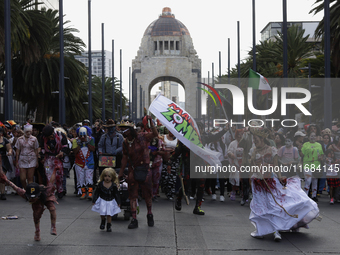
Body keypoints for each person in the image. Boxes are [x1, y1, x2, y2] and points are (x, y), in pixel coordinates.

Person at [249, 128, 320, 241]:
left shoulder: (272, 149)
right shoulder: (253, 151)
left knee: (273, 206)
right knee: (260, 207)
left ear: (262, 139)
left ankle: (276, 231)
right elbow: (251, 167)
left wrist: (280, 176)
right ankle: (261, 230)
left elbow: (276, 165)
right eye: (253, 139)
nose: (254, 141)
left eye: (256, 138)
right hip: (257, 182)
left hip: (270, 181)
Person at [118, 118, 158, 229]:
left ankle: (149, 214)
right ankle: (134, 219)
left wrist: (151, 123)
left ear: (130, 130)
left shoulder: (142, 136)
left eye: (124, 129)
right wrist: (120, 174)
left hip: (145, 170)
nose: (122, 131)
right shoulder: (125, 143)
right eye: (121, 129)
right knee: (132, 195)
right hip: (133, 171)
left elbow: (155, 134)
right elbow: (124, 159)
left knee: (147, 194)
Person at [0, 167, 58, 241]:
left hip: (46, 197)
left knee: (52, 208)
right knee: (36, 215)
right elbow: (15, 187)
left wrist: (55, 170)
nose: (32, 199)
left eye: (34, 197)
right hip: (37, 202)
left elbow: (51, 181)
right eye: (31, 197)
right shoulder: (24, 194)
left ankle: (53, 227)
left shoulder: (46, 191)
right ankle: (37, 232)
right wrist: (6, 180)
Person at [40, 125, 68, 197]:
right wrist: (42, 157)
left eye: (49, 136)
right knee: (48, 176)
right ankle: (50, 191)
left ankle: (60, 190)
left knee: (59, 176)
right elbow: (42, 148)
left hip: (58, 158)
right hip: (48, 158)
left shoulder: (61, 135)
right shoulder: (43, 137)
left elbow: (65, 146)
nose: (48, 137)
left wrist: (62, 152)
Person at [92, 168, 121, 232]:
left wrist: (118, 202)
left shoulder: (113, 185)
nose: (107, 178)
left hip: (110, 201)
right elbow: (97, 192)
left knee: (109, 214)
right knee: (102, 213)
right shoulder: (101, 184)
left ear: (112, 177)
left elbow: (116, 194)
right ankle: (103, 221)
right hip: (103, 200)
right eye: (105, 176)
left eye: (109, 176)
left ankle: (109, 225)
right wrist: (94, 200)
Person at [72, 126, 95, 200]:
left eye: (84, 135)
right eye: (81, 135)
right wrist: (79, 144)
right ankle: (83, 193)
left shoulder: (91, 139)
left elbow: (93, 149)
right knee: (81, 179)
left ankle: (90, 193)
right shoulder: (75, 140)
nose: (82, 137)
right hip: (79, 163)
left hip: (89, 162)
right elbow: (75, 152)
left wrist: (87, 142)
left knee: (89, 178)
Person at [300, 132, 324, 201]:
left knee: (315, 181)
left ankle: (314, 196)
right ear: (308, 137)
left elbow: (322, 154)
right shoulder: (305, 144)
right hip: (307, 165)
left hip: (316, 165)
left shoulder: (319, 145)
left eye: (314, 136)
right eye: (311, 136)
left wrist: (321, 158)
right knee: (308, 180)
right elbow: (301, 155)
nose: (313, 137)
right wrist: (299, 149)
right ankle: (305, 195)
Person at [15, 124, 39, 189]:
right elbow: (17, 151)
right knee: (22, 178)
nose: (28, 133)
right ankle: (26, 189)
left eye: (30, 132)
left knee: (30, 178)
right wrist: (17, 161)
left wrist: (37, 161)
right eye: (27, 131)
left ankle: (30, 193)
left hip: (32, 159)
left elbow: (36, 150)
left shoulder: (34, 139)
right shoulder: (19, 139)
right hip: (22, 159)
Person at [160, 129, 178, 200]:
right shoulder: (163, 137)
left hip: (174, 161)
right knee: (164, 177)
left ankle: (171, 193)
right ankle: (165, 189)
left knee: (172, 178)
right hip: (165, 160)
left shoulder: (177, 139)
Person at [227, 129, 244, 201]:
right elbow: (229, 151)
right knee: (235, 179)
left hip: (243, 164)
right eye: (238, 134)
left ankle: (244, 193)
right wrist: (231, 155)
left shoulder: (245, 143)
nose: (240, 136)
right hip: (235, 163)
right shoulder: (233, 143)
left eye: (241, 134)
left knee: (244, 180)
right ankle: (233, 191)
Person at [0, 126, 13, 200]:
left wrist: (10, 152)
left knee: (2, 177)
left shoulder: (5, 140)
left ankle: (2, 193)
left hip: (3, 159)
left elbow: (9, 148)